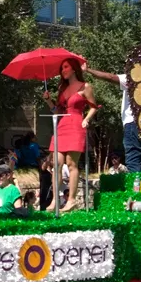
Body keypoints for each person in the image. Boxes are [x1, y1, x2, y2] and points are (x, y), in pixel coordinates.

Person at [42, 57, 98, 212]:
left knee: (71, 163)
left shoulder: (85, 86)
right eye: (62, 68)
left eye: (66, 67)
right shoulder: (62, 88)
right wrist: (48, 101)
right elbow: (57, 111)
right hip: (62, 125)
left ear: (74, 69)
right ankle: (55, 200)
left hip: (76, 124)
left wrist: (86, 119)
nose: (63, 70)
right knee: (56, 164)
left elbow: (94, 107)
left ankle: (71, 200)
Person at [83, 64, 141, 172]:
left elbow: (110, 77)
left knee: (133, 157)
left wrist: (88, 70)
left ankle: (135, 182)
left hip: (132, 122)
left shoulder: (134, 78)